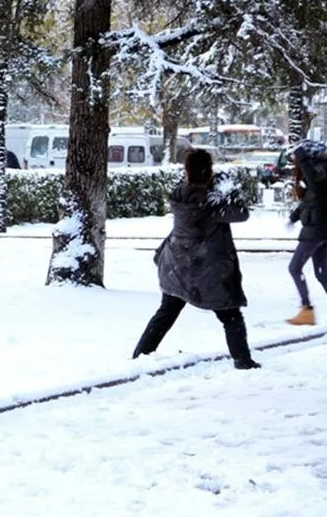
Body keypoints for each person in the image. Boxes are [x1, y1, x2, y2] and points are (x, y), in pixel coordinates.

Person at [132, 149, 261, 370]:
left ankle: (140, 355)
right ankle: (243, 360)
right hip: (207, 271)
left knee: (167, 312)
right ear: (209, 171)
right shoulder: (212, 205)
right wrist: (230, 192)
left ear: (187, 171)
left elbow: (197, 195)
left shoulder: (179, 195)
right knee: (231, 315)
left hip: (177, 265)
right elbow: (242, 214)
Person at [285, 140, 327, 325]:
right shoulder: (319, 174)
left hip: (316, 231)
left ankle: (306, 309)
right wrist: (293, 217)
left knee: (294, 268)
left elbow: (315, 189)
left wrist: (302, 158)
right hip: (318, 230)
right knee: (322, 273)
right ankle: (307, 311)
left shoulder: (321, 172)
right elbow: (310, 200)